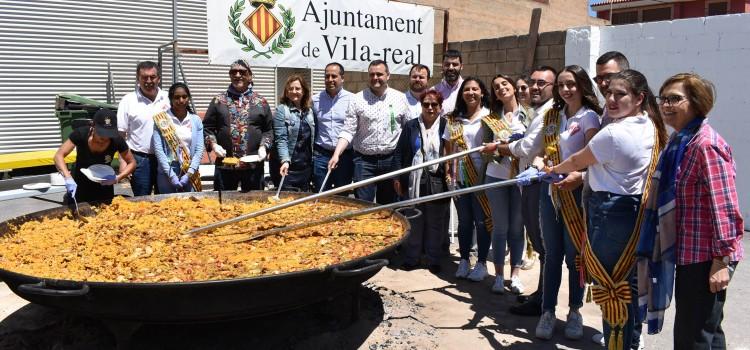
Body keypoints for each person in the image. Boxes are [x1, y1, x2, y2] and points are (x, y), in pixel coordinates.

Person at [548, 69, 667, 349]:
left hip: (610, 213)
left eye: (620, 94)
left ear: (639, 98)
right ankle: (629, 342)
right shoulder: (649, 123)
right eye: (609, 93)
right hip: (634, 209)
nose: (611, 99)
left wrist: (550, 169)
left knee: (611, 287)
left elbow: (577, 160)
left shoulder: (612, 133)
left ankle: (618, 343)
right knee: (628, 283)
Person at [489, 65, 602, 340]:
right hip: (550, 192)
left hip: (575, 195)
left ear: (582, 86)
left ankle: (574, 311)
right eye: (562, 85)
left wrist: (579, 176)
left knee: (575, 258)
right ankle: (548, 311)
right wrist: (539, 165)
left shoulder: (590, 118)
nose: (566, 89)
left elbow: (593, 159)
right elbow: (541, 151)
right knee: (551, 255)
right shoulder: (553, 115)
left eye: (571, 84)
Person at [637, 73, 743, 349]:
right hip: (690, 252)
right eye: (663, 99)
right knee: (706, 330)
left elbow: (725, 206)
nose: (666, 105)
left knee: (693, 335)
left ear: (696, 102)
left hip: (707, 256)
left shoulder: (705, 145)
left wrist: (722, 260)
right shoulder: (679, 142)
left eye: (675, 99)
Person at [491, 66, 557, 317]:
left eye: (543, 83)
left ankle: (544, 301)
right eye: (533, 82)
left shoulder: (548, 112)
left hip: (539, 182)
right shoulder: (539, 112)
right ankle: (542, 295)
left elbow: (528, 147)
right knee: (540, 244)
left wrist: (503, 147)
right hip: (529, 181)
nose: (536, 87)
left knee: (542, 244)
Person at [328, 60, 410, 204]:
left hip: (391, 161)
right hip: (364, 162)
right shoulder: (357, 99)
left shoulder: (400, 98)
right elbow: (348, 130)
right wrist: (336, 154)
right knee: (363, 206)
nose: (375, 78)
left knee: (388, 207)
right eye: (372, 74)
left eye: (379, 74)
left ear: (388, 75)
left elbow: (407, 130)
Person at [483, 74, 530, 294]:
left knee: (517, 228)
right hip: (496, 176)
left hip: (521, 178)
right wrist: (496, 151)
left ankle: (516, 275)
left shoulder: (529, 115)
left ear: (513, 86)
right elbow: (484, 151)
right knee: (500, 227)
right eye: (496, 87)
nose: (501, 88)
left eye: (505, 84)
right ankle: (499, 276)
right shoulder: (492, 118)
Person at [443, 76, 493, 282]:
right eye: (466, 90)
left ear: (482, 93)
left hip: (483, 177)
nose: (470, 93)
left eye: (475, 89)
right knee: (464, 221)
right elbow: (448, 150)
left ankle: (481, 263)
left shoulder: (491, 117)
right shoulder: (454, 119)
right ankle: (464, 260)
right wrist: (449, 173)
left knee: (482, 221)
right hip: (461, 176)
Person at [394, 90, 449, 274]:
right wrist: (397, 177)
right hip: (414, 180)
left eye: (434, 104)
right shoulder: (411, 126)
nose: (430, 108)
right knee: (414, 219)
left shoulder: (446, 126)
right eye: (426, 104)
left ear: (440, 107)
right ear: (421, 106)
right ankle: (412, 258)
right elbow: (400, 152)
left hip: (438, 180)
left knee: (435, 221)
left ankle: (433, 259)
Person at [203, 59, 273, 192]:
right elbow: (207, 128)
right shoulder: (218, 101)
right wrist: (213, 144)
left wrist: (264, 146)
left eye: (242, 72)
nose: (237, 75)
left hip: (253, 166)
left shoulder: (261, 102)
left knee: (254, 203)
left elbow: (268, 130)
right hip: (225, 166)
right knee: (223, 206)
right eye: (233, 72)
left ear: (250, 76)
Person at [55, 109, 136, 204]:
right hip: (81, 183)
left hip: (105, 183)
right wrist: (68, 177)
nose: (105, 138)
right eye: (101, 134)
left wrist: (118, 178)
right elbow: (59, 155)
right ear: (93, 126)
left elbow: (132, 163)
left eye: (108, 135)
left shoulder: (117, 140)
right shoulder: (81, 134)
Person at [117, 61, 170, 196]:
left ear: (158, 78)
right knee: (142, 199)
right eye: (144, 77)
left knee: (166, 198)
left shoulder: (168, 98)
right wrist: (123, 162)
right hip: (140, 159)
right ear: (137, 78)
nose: (148, 81)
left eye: (152, 77)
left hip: (166, 158)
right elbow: (120, 135)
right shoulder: (128, 101)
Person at [152, 82, 205, 194]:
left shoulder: (196, 120)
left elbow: (199, 149)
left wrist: (189, 173)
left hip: (190, 168)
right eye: (177, 97)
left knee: (192, 206)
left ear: (188, 98)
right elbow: (159, 149)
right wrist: (171, 175)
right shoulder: (161, 119)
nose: (181, 100)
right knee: (168, 206)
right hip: (167, 170)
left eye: (184, 97)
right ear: (170, 99)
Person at [312, 62, 355, 192]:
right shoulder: (314, 100)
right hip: (321, 155)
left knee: (342, 195)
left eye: (334, 76)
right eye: (327, 76)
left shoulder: (352, 99)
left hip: (345, 156)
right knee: (320, 193)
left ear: (342, 78)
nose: (330, 80)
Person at [272, 74, 315, 191]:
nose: (293, 91)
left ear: (304, 91)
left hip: (305, 167)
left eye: (297, 88)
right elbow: (281, 139)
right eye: (290, 89)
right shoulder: (282, 110)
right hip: (288, 166)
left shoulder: (309, 111)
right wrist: (285, 160)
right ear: (286, 92)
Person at [431, 49, 464, 116]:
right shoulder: (434, 91)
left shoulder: (468, 90)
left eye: (455, 64)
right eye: (447, 64)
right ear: (442, 66)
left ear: (461, 66)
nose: (451, 68)